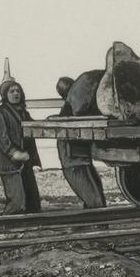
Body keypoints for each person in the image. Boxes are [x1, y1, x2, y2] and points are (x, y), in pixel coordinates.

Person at [0, 80, 42, 214]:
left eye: (18, 91)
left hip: (25, 163)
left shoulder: (24, 112)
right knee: (17, 202)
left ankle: (32, 231)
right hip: (9, 164)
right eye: (11, 91)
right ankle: (7, 228)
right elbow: (2, 137)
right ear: (5, 95)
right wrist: (14, 153)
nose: (16, 93)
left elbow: (33, 129)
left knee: (33, 202)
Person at [55, 76, 106, 209]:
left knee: (94, 199)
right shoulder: (73, 108)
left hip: (78, 160)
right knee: (96, 201)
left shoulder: (69, 108)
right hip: (74, 161)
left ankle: (94, 225)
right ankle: (97, 226)